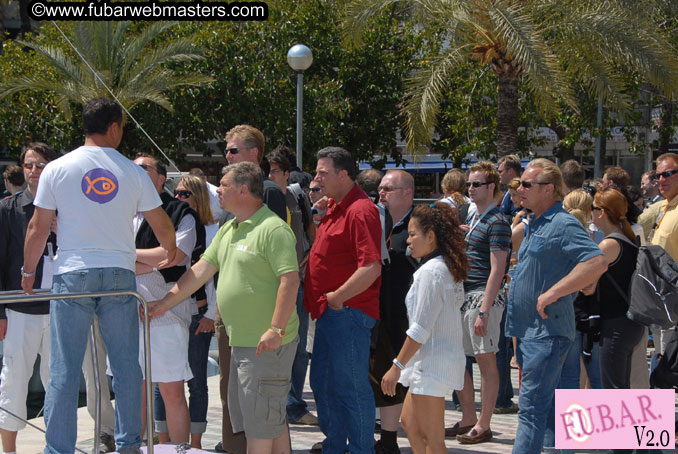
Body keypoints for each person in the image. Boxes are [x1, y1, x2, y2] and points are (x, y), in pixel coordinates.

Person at [21, 97, 177, 454]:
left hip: (73, 274)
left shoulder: (57, 169)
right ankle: (128, 445)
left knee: (63, 368)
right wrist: (169, 250)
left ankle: (58, 449)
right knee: (125, 367)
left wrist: (28, 272)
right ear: (114, 127)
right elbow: (162, 223)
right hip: (120, 273)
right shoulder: (133, 171)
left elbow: (37, 226)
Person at [148, 161, 300, 454]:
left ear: (244, 190)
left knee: (259, 427)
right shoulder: (229, 228)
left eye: (224, 185)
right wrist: (164, 304)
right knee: (270, 420)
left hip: (266, 344)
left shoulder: (273, 229)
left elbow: (290, 282)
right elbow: (200, 271)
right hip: (242, 342)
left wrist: (275, 329)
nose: (217, 190)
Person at [505, 158, 607, 454]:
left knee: (531, 412)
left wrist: (553, 293)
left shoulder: (561, 223)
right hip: (534, 333)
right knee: (553, 412)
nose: (519, 189)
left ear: (549, 189)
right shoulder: (535, 222)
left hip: (547, 333)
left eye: (527, 184)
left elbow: (596, 261)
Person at [304, 147, 382, 454]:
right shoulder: (335, 206)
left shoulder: (360, 210)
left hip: (347, 312)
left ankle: (361, 449)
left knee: (350, 388)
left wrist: (337, 297)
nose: (317, 178)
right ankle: (334, 445)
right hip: (330, 313)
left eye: (323, 172)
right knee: (324, 385)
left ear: (344, 174)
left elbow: (372, 267)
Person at [381, 202, 468, 454]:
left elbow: (420, 328)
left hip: (432, 364)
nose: (407, 241)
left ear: (431, 236)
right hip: (429, 362)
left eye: (412, 234)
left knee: (433, 439)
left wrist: (396, 366)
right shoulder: (442, 266)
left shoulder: (431, 271)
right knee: (410, 424)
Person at [133, 154, 200, 444]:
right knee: (134, 389)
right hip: (126, 313)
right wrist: (153, 259)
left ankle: (181, 450)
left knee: (171, 390)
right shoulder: (119, 211)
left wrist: (126, 256)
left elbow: (176, 255)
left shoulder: (180, 212)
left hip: (166, 313)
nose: (136, 172)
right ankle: (134, 448)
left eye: (143, 168)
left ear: (162, 178)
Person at [0, 143, 59, 454]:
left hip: (60, 310)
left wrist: (60, 228)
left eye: (41, 164)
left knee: (57, 383)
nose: (35, 171)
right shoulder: (7, 210)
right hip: (19, 310)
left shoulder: (67, 208)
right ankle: (9, 450)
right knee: (13, 380)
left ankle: (56, 446)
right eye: (29, 165)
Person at [152, 175, 216, 449]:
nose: (179, 199)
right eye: (176, 194)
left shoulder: (213, 229)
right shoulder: (170, 225)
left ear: (198, 198)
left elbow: (212, 278)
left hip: (198, 314)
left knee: (197, 382)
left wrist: (211, 314)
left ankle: (195, 444)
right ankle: (164, 441)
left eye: (185, 194)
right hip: (174, 310)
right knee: (163, 383)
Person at [448, 162, 510, 445]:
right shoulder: (475, 217)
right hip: (465, 294)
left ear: (491, 187)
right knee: (460, 358)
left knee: (486, 360)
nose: (470, 189)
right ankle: (470, 417)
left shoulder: (497, 220)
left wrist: (485, 310)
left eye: (476, 184)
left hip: (481, 296)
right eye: (469, 184)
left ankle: (483, 423)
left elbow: (498, 268)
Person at [266, 149, 318, 426]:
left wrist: (310, 253)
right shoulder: (263, 198)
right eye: (268, 171)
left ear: (286, 173)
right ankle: (277, 404)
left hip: (297, 281)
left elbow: (310, 230)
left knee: (297, 347)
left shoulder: (296, 197)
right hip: (271, 285)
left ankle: (294, 404)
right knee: (274, 345)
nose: (270, 177)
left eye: (275, 171)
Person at [371, 170, 417, 454]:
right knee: (388, 380)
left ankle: (573, 443)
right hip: (383, 315)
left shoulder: (422, 224)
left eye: (388, 188)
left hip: (559, 329)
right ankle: (389, 441)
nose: (381, 194)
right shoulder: (378, 222)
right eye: (380, 188)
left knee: (573, 386)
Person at [224, 125, 286, 220]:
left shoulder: (269, 191)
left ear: (253, 152)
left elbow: (275, 232)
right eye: (226, 151)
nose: (228, 156)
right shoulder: (228, 190)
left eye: (233, 151)